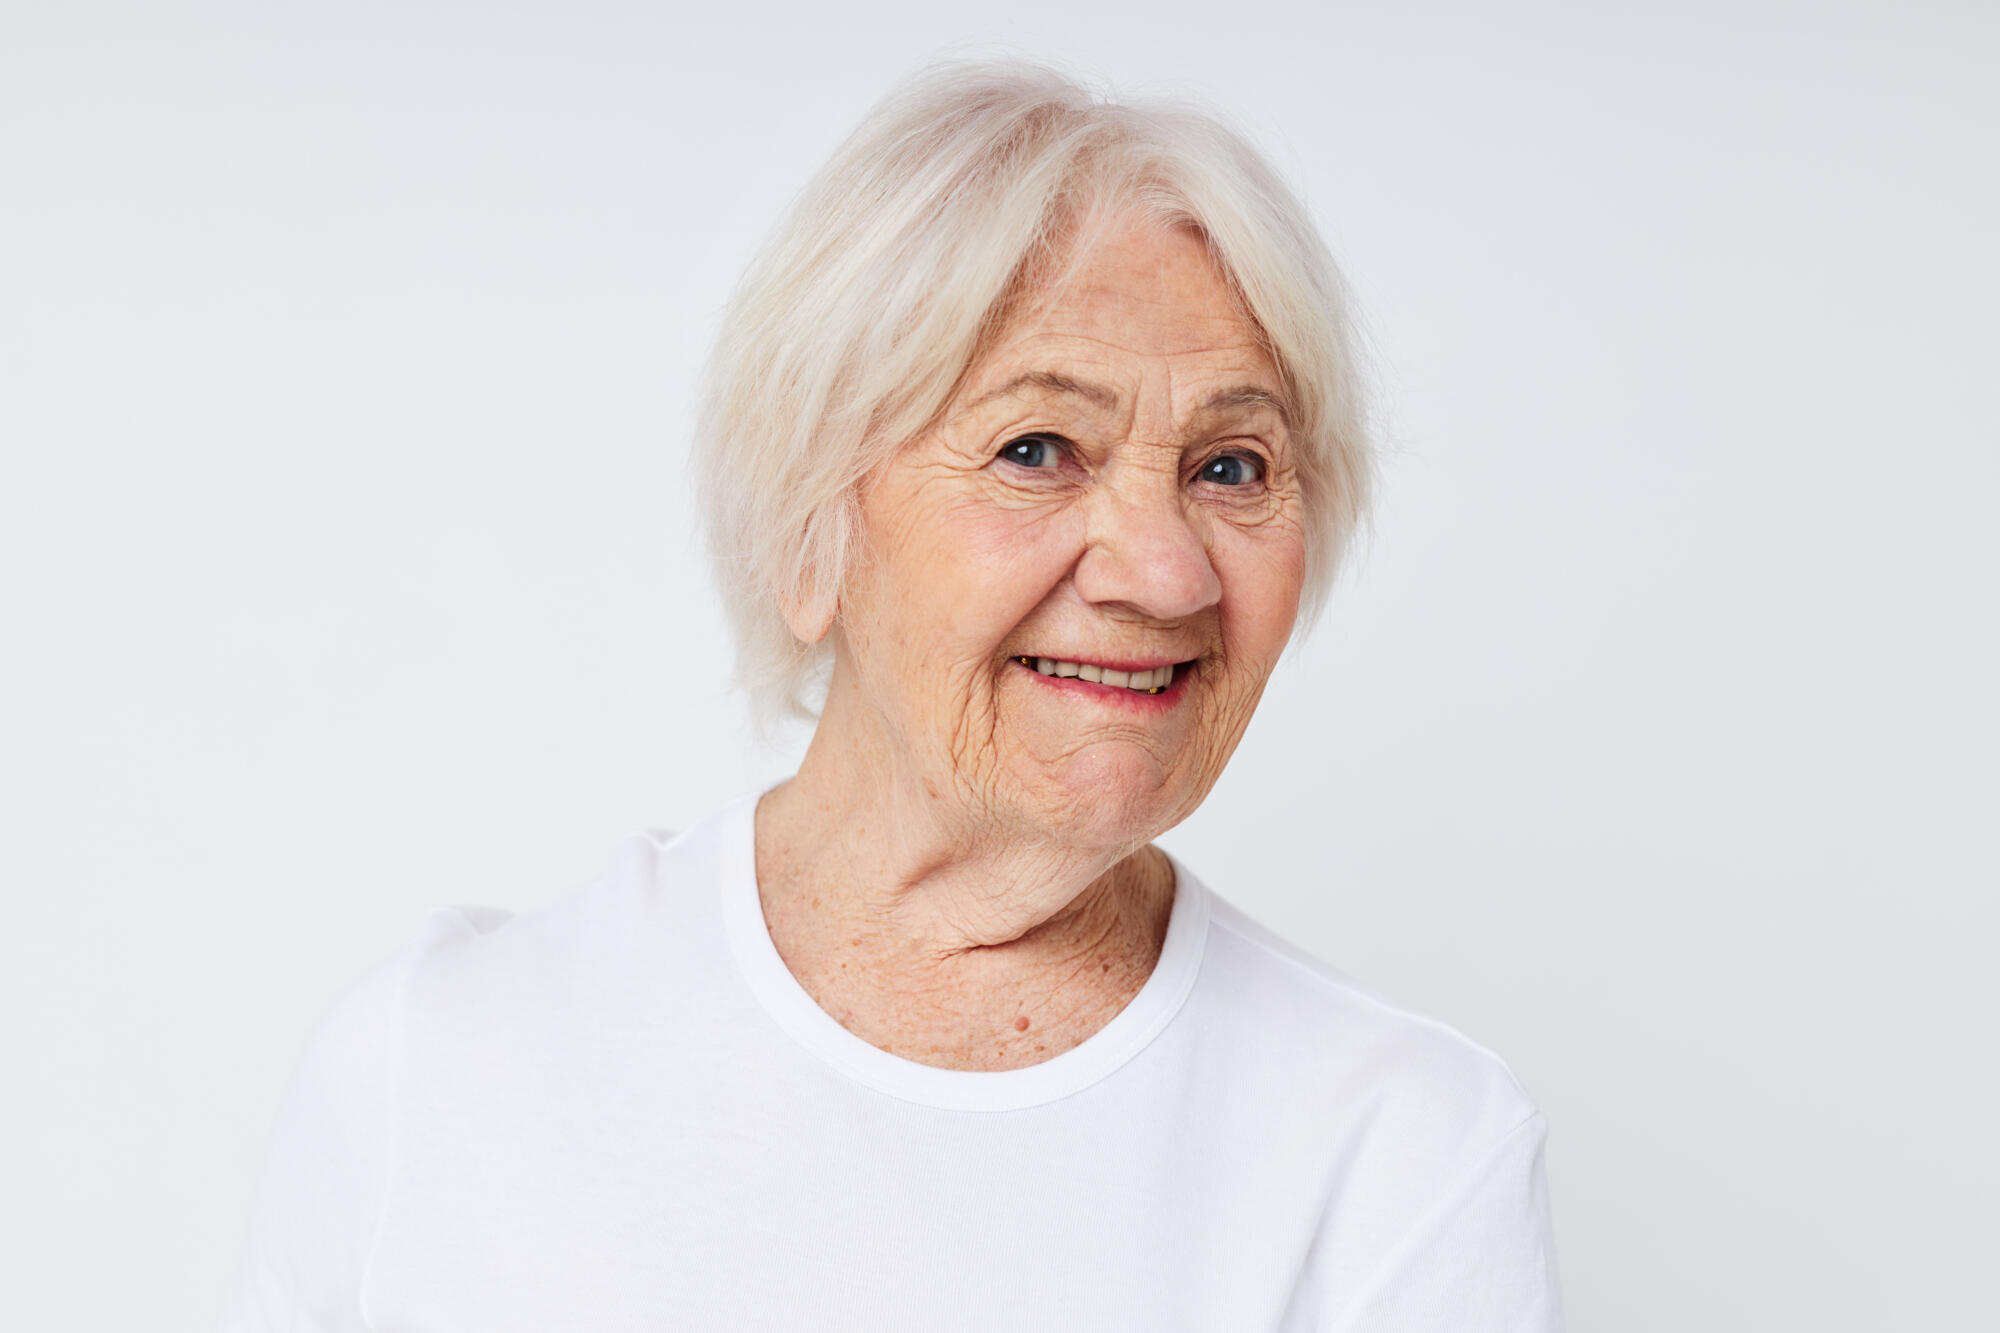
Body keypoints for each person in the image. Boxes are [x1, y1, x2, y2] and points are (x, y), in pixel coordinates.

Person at [219, 58, 1565, 1331]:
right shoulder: (446, 1072)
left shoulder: (1403, 1152)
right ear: (812, 536)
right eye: (1037, 447)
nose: (1164, 573)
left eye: (1232, 466)